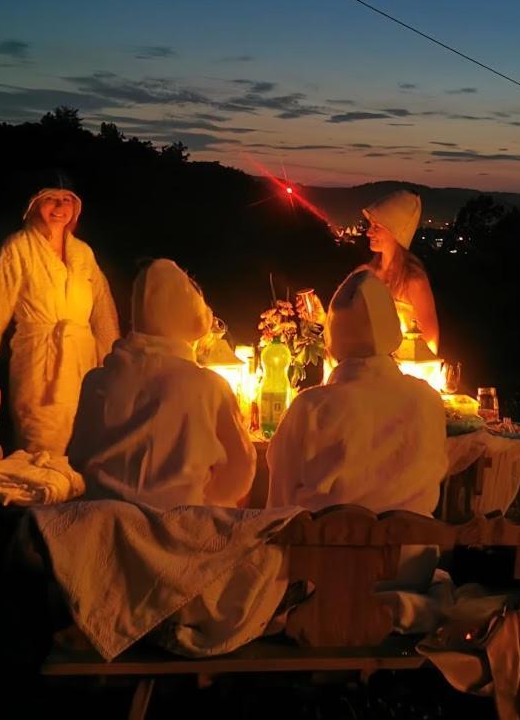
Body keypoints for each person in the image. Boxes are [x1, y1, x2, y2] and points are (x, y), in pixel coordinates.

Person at [266, 270, 448, 586]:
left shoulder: (311, 407)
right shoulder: (428, 401)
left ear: (333, 338)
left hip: (324, 574)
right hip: (410, 570)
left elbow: (279, 509)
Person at [68, 258, 257, 509]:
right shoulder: (209, 387)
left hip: (102, 531)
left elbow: (76, 457)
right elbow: (239, 475)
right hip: (183, 535)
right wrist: (202, 499)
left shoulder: (94, 383)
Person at [0, 173, 120, 455]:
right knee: (41, 446)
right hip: (40, 365)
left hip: (84, 368)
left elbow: (102, 312)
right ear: (35, 204)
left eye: (66, 201)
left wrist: (113, 366)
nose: (59, 208)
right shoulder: (17, 249)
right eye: (50, 199)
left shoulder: (83, 254)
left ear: (76, 208)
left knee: (85, 446)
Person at [361, 189, 439, 353]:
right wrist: (322, 317)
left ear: (395, 232)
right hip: (366, 371)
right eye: (370, 226)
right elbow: (350, 329)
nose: (368, 232)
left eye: (377, 227)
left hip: (398, 375)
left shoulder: (413, 282)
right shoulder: (365, 274)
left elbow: (430, 344)